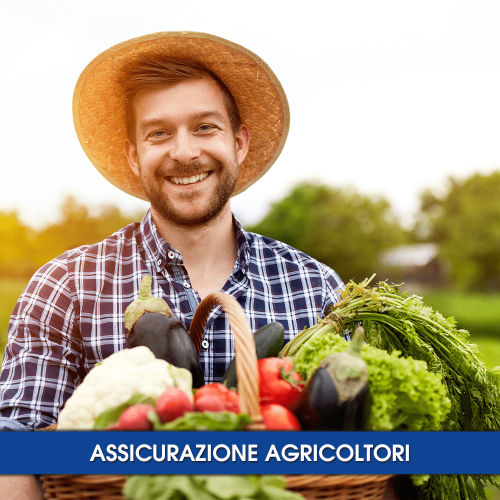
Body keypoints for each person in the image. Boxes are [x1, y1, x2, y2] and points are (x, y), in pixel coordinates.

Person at [0, 32, 343, 490]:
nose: (184, 152)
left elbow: (361, 449)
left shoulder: (315, 288)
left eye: (205, 127)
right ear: (134, 155)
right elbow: (16, 450)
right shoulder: (65, 287)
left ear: (238, 143)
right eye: (159, 133)